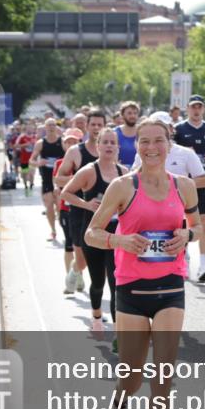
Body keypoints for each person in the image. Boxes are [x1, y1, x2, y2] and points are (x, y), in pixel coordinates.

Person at [84, 115, 199, 409]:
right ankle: (119, 400)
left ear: (170, 144)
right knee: (132, 375)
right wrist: (119, 241)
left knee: (164, 376)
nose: (151, 148)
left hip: (170, 286)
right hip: (131, 291)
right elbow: (92, 233)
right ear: (138, 147)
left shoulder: (183, 186)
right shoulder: (122, 186)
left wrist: (186, 236)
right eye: (144, 142)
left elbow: (197, 227)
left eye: (158, 141)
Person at [61, 127, 126, 338]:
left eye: (112, 142)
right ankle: (97, 318)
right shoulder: (89, 171)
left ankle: (118, 331)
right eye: (104, 142)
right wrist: (86, 205)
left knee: (117, 282)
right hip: (93, 235)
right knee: (98, 281)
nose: (108, 146)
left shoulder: (124, 173)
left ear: (117, 147)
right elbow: (66, 193)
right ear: (97, 146)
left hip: (116, 236)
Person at [130, 111, 205, 280]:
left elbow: (202, 180)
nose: (157, 132)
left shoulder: (186, 153)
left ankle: (181, 257)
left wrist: (177, 189)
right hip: (149, 202)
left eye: (163, 126)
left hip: (178, 205)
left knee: (176, 235)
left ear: (170, 130)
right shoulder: (143, 152)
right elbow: (133, 179)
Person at [55, 109, 107, 292]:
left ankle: (97, 300)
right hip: (79, 210)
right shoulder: (76, 151)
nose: (96, 128)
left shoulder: (111, 150)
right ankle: (76, 270)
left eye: (100, 124)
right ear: (86, 126)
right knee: (83, 258)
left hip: (106, 211)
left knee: (106, 258)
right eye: (93, 124)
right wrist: (82, 181)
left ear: (105, 126)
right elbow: (58, 179)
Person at [174, 96, 205, 280]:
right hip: (183, 183)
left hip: (204, 182)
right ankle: (183, 255)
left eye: (200, 107)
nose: (196, 110)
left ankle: (202, 267)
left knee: (203, 223)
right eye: (193, 107)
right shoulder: (179, 129)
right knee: (181, 222)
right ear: (188, 108)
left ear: (204, 109)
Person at [53, 128, 84, 292]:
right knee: (69, 245)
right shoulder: (59, 164)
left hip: (82, 208)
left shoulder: (85, 161)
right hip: (66, 208)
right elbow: (57, 185)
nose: (71, 144)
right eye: (68, 141)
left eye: (75, 141)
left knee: (82, 250)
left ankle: (77, 272)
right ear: (64, 144)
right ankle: (70, 281)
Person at [30, 118, 64, 241]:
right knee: (49, 205)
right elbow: (31, 161)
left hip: (60, 179)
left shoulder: (63, 142)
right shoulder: (41, 143)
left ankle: (63, 229)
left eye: (53, 125)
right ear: (45, 127)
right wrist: (39, 162)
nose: (51, 127)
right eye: (49, 125)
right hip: (47, 178)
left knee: (60, 207)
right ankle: (53, 231)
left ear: (56, 127)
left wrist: (62, 162)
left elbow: (71, 158)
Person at [14, 121, 37, 195]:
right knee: (25, 173)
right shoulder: (22, 137)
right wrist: (25, 145)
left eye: (31, 128)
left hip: (32, 159)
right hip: (24, 158)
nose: (30, 129)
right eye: (28, 128)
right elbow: (16, 145)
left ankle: (31, 185)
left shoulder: (35, 137)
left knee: (31, 173)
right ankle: (25, 185)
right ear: (26, 129)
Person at [115, 101, 140, 167]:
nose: (133, 116)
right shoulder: (114, 133)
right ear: (122, 115)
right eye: (129, 113)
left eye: (135, 113)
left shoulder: (143, 132)